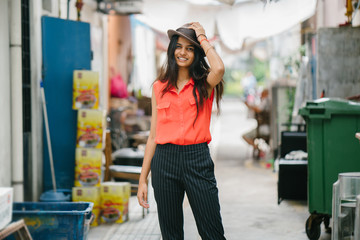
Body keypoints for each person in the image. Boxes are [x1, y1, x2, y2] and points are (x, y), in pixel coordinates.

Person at [137, 22, 226, 240]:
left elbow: (219, 69)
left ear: (196, 53)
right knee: (171, 235)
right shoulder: (159, 87)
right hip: (164, 162)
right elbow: (153, 136)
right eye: (179, 46)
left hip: (197, 159)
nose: (183, 52)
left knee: (212, 233)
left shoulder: (204, 84)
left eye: (189, 48)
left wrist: (203, 38)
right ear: (172, 49)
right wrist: (142, 179)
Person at [242, 88, 271, 158]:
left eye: (262, 94)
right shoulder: (268, 101)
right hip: (265, 127)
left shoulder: (266, 100)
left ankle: (259, 149)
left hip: (264, 128)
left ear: (265, 94)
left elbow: (258, 109)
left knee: (245, 136)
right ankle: (258, 149)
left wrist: (249, 106)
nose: (260, 96)